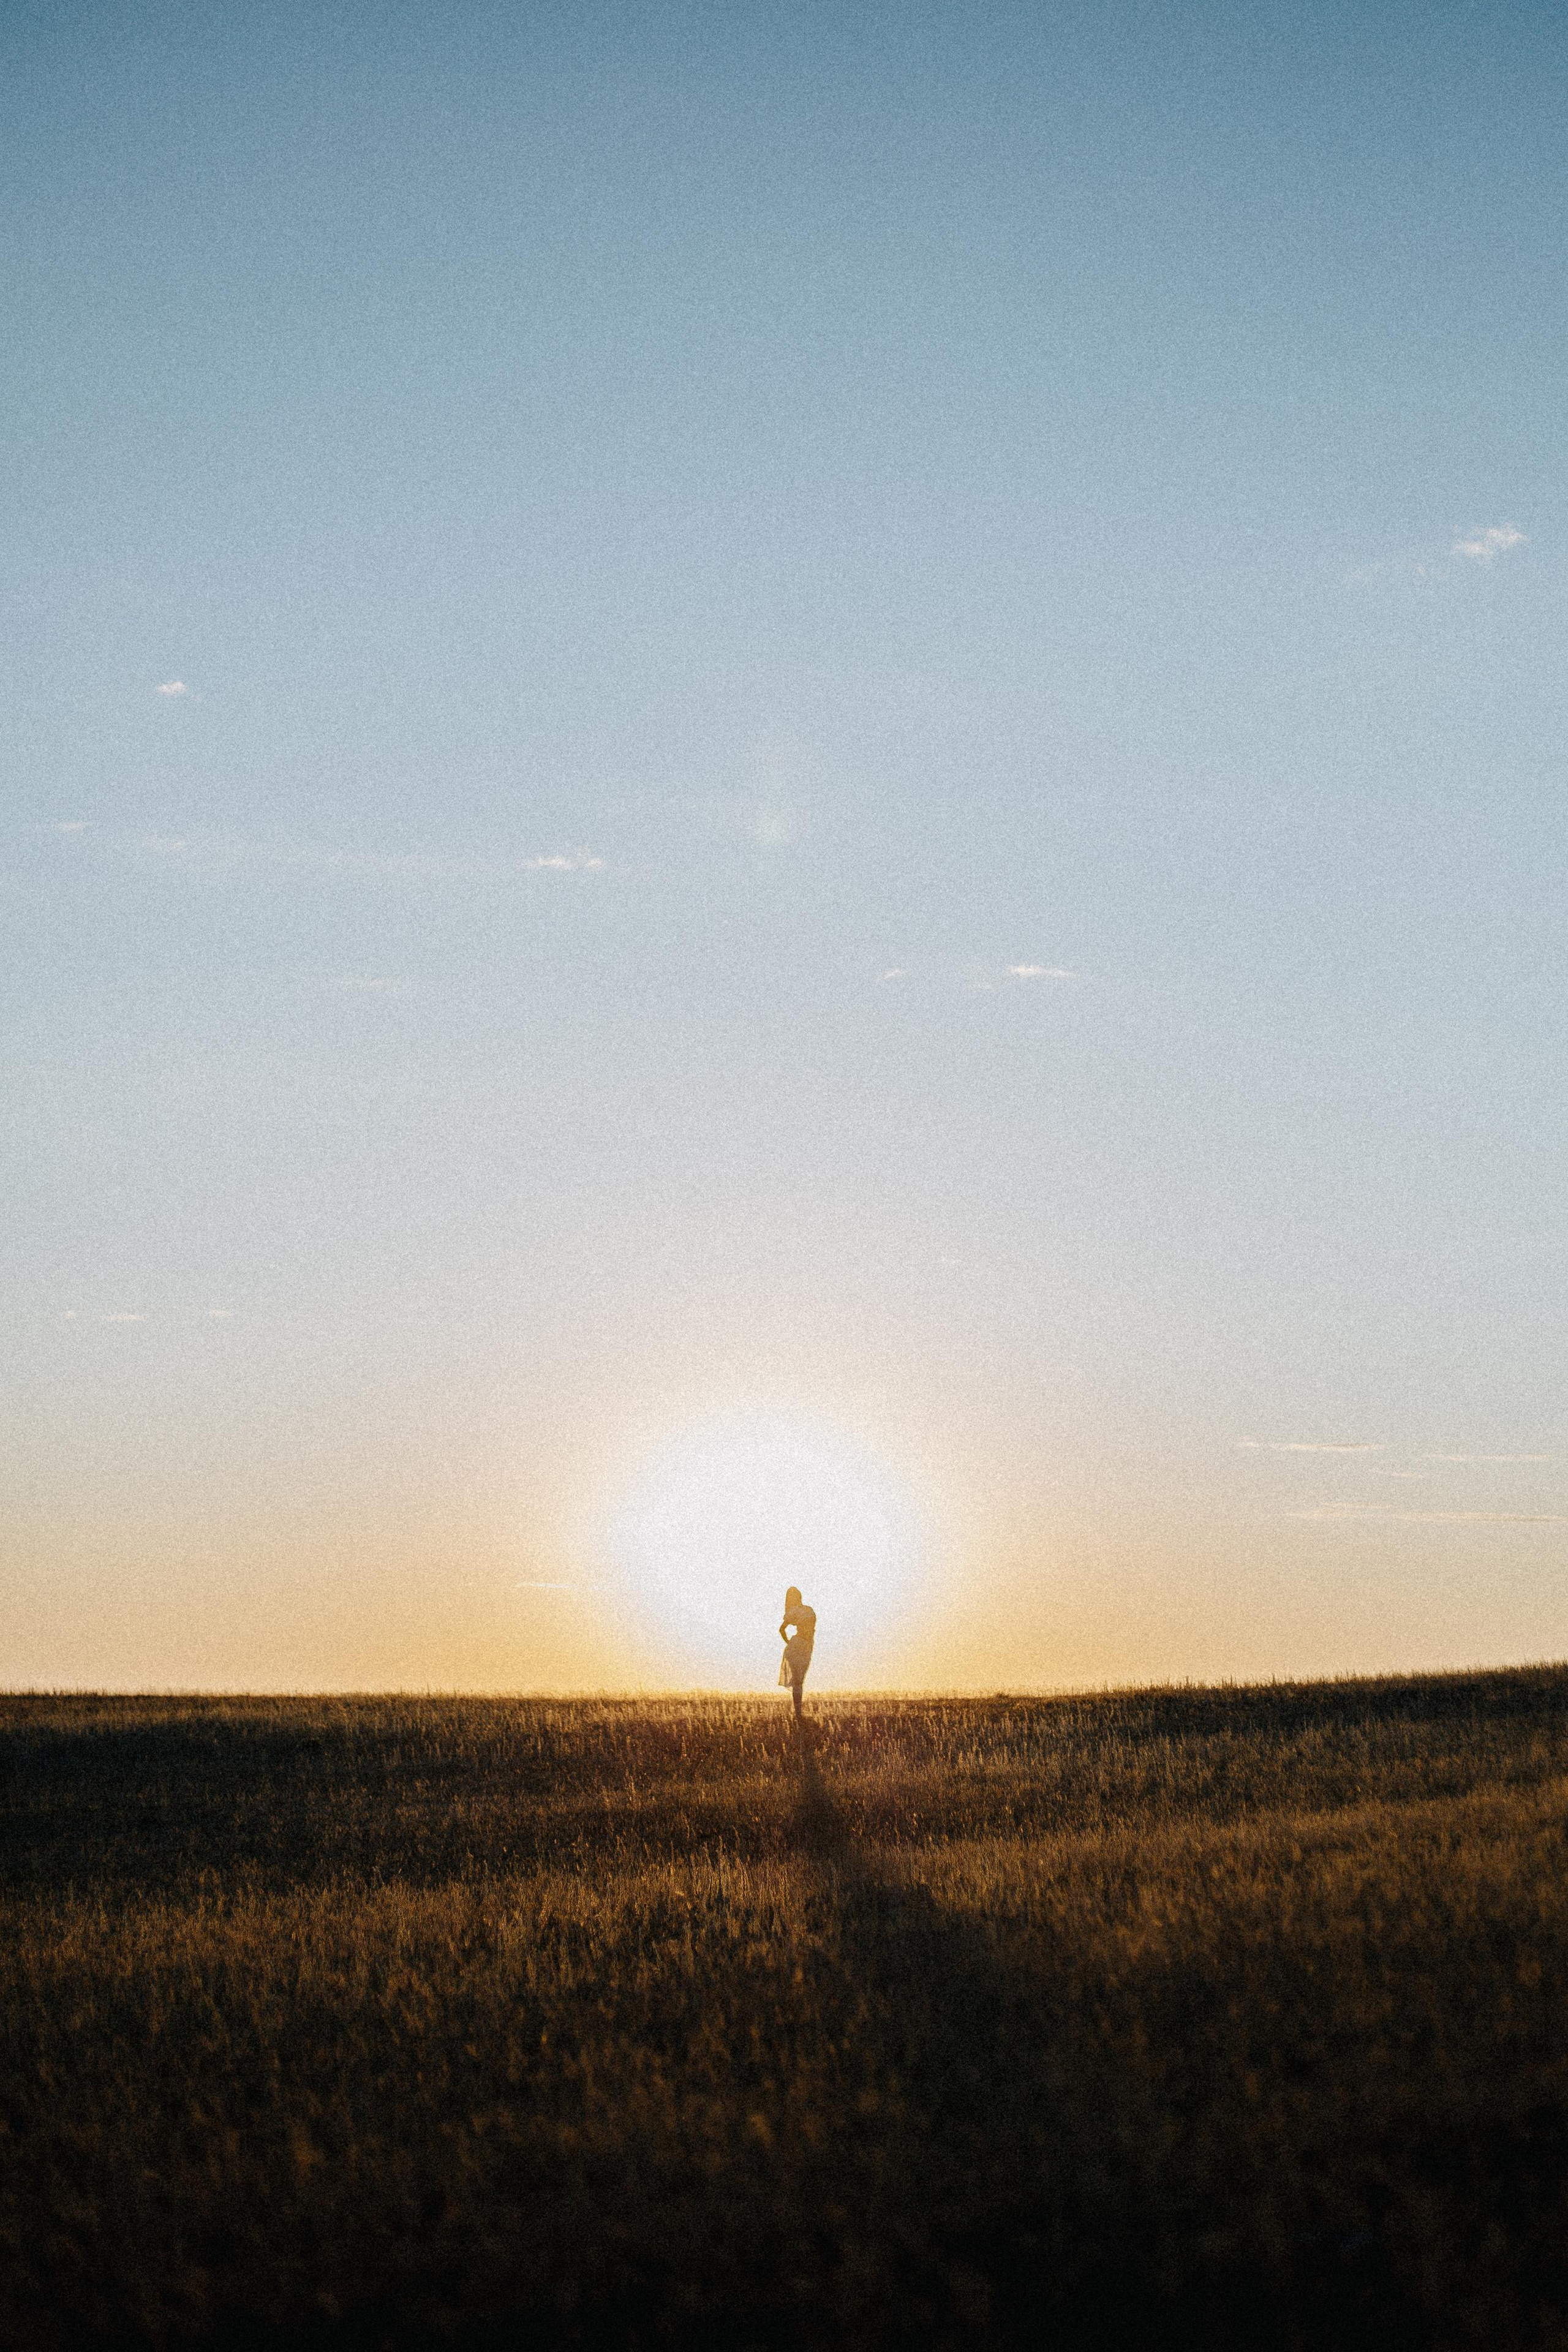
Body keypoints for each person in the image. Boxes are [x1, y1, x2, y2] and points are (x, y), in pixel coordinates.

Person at [778, 1586, 816, 1725]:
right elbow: (782, 1630)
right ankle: (799, 1715)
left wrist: (789, 1643)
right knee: (799, 1682)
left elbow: (782, 1630)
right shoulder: (807, 1610)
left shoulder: (799, 1611)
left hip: (801, 1646)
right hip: (800, 1646)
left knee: (799, 1682)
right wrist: (791, 1643)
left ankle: (799, 1714)